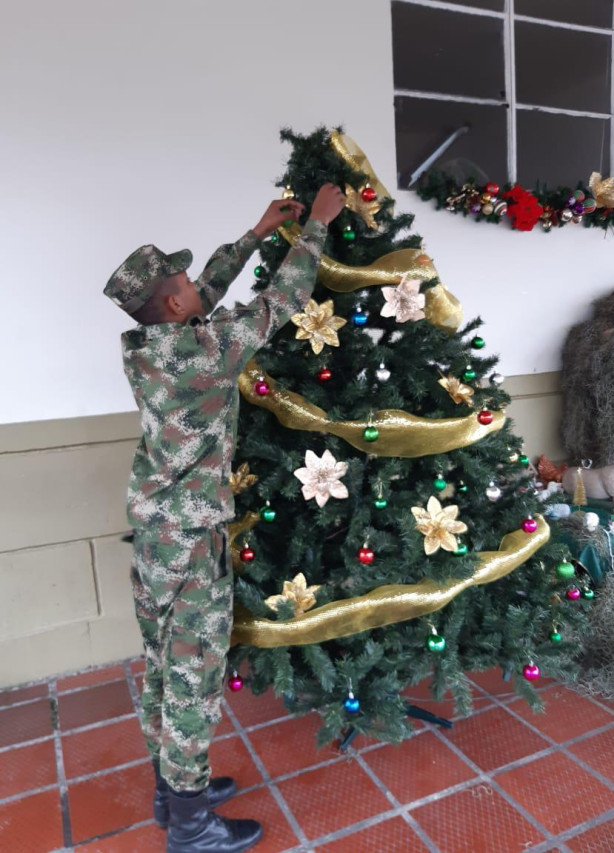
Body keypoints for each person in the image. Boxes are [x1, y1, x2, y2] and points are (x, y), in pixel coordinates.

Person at [103, 183, 345, 853]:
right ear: (174, 304)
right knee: (192, 676)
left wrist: (256, 232)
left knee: (161, 663)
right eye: (183, 280)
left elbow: (202, 293)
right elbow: (280, 304)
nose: (193, 285)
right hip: (189, 538)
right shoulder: (206, 352)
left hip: (156, 535)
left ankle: (169, 786)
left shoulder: (148, 345)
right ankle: (190, 825)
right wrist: (313, 229)